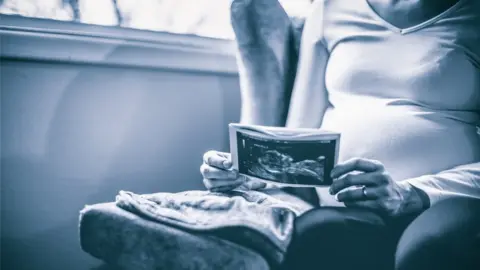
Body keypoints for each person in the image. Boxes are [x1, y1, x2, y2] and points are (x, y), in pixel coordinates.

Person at [200, 0, 480, 269]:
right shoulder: (330, 8)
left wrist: (410, 194)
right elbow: (299, 137)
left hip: (442, 204)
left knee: (429, 247)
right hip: (351, 209)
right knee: (319, 232)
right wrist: (250, 172)